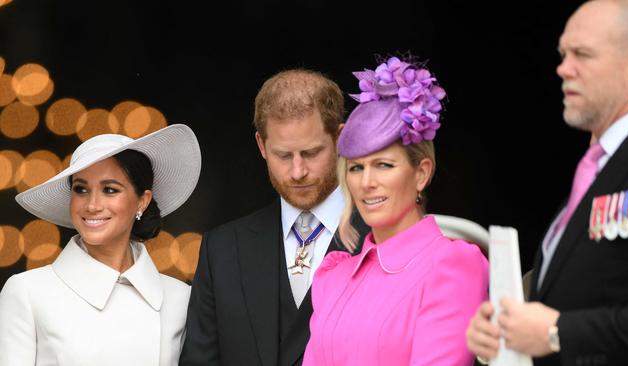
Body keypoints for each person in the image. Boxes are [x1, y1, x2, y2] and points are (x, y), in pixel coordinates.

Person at [466, 0, 628, 365]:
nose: (563, 68)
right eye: (563, 53)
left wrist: (558, 332)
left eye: (582, 54)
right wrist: (507, 329)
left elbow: (562, 326)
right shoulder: (605, 161)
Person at [302, 56, 489, 365]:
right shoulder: (333, 276)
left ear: (421, 173)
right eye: (356, 168)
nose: (366, 182)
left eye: (384, 165)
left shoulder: (452, 265)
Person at [180, 69, 368, 366]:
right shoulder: (222, 250)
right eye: (283, 155)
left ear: (341, 138)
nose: (297, 171)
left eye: (311, 152)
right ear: (261, 145)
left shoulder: (384, 237)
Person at [0, 124, 202, 365]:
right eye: (81, 189)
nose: (92, 205)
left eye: (109, 189)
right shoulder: (27, 292)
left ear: (142, 201)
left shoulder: (179, 298)